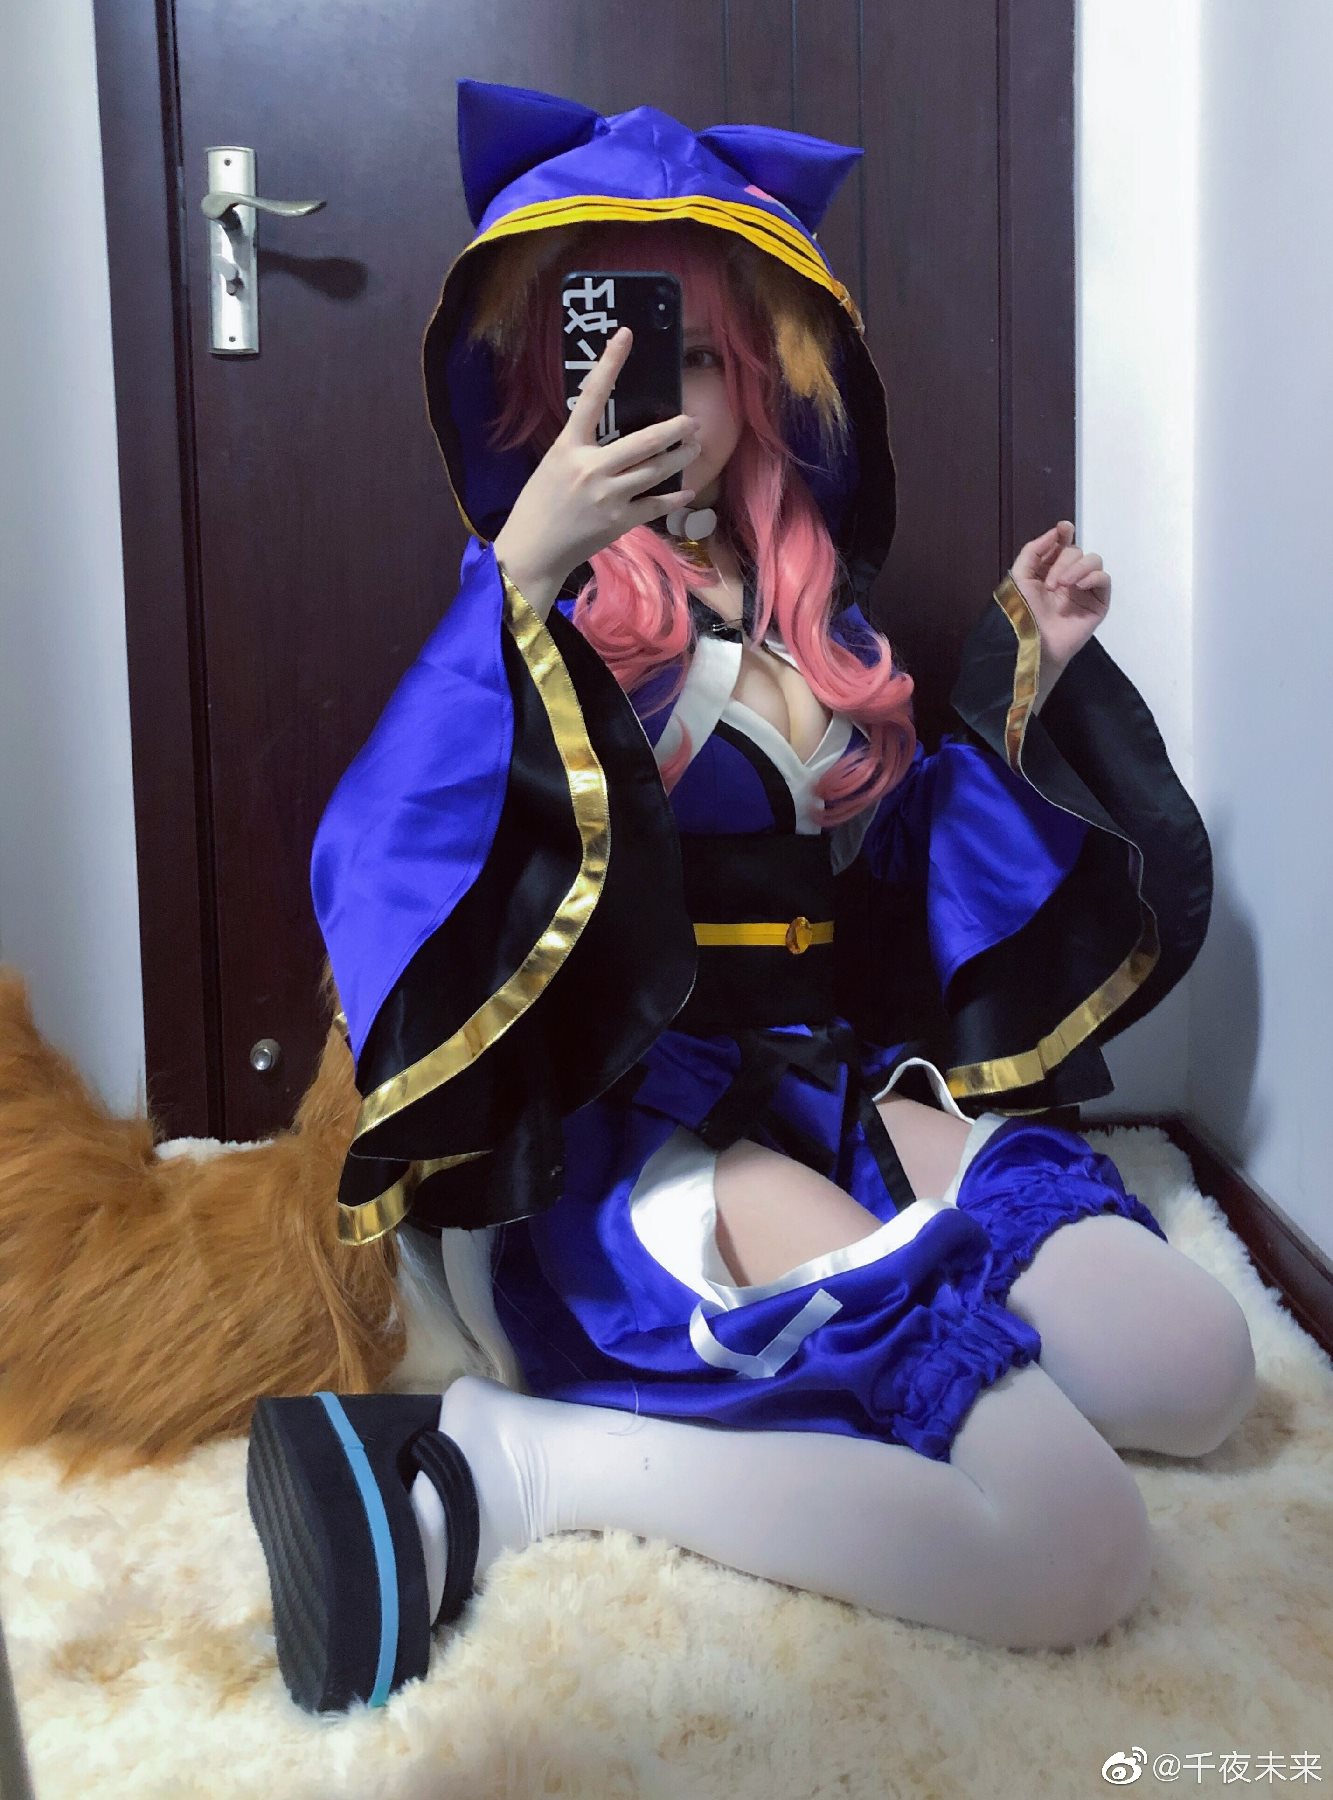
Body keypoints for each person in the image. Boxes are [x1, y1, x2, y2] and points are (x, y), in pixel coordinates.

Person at [245, 77, 1254, 1714]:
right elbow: (388, 846)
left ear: (765, 375)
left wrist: (1026, 672)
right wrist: (526, 571)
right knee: (1074, 1544)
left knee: (1196, 1374)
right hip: (624, 1130)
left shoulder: (804, 608)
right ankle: (512, 1465)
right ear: (545, 372)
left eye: (702, 355)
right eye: (613, 346)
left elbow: (900, 882)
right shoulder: (527, 608)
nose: (663, 390)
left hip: (814, 1085)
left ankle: (889, 1324)